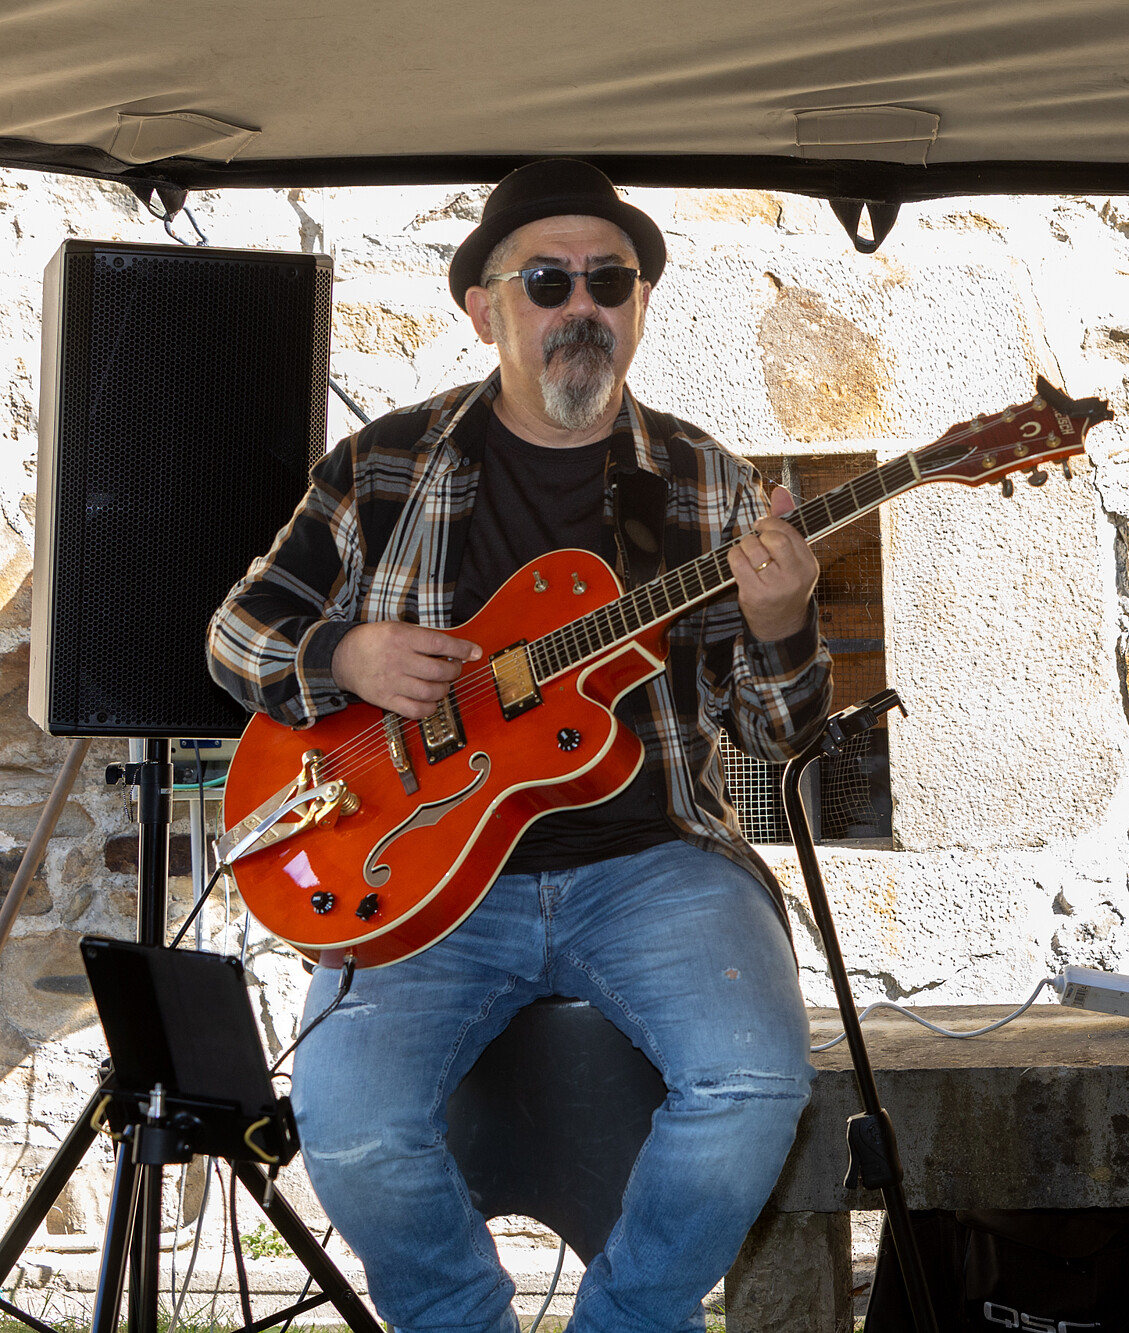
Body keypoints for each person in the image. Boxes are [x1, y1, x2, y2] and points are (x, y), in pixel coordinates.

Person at [208, 159, 830, 1333]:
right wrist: (345, 659)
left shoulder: (704, 481)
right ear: (484, 307)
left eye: (611, 279)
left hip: (653, 863)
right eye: (548, 278)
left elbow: (780, 739)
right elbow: (238, 632)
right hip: (427, 876)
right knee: (347, 1119)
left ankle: (628, 1321)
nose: (580, 303)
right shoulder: (384, 463)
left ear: (639, 304)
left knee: (752, 1078)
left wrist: (783, 624)